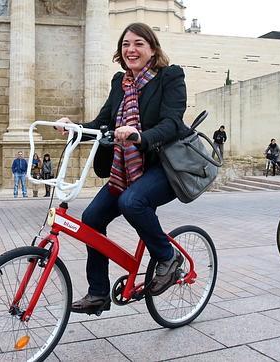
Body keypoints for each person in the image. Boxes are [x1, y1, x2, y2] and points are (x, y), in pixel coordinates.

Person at [55, 22, 187, 315]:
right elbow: (104, 121)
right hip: (125, 169)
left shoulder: (170, 77)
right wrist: (74, 126)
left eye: (139, 43)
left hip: (163, 166)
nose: (131, 49)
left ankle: (167, 257)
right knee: (91, 219)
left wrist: (142, 136)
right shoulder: (120, 83)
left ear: (152, 48)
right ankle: (98, 294)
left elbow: (173, 122)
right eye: (126, 44)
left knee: (132, 202)